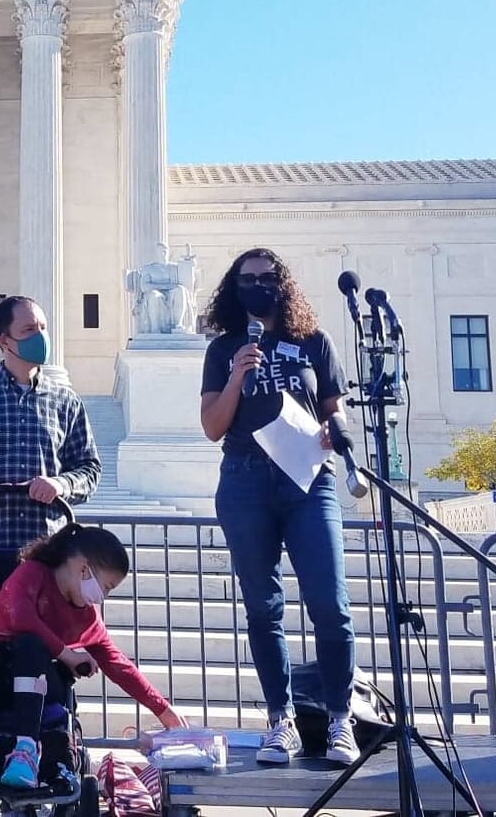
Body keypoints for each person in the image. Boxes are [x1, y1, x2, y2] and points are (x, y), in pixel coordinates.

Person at [198, 247, 359, 767]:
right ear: (233, 288)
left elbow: (335, 409)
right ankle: (280, 720)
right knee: (264, 608)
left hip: (309, 479)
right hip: (245, 478)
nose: (258, 285)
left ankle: (339, 718)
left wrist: (339, 433)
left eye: (267, 278)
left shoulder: (313, 341)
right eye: (248, 279)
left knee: (330, 605)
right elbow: (212, 426)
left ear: (283, 284)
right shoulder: (224, 349)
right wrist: (237, 378)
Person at [0, 523, 181, 789]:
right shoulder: (32, 573)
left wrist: (162, 709)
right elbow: (20, 616)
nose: (102, 598)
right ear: (83, 569)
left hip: (39, 687)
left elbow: (118, 665)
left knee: (31, 648)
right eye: (107, 587)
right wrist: (66, 653)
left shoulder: (88, 618)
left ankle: (26, 750)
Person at [0, 295, 100, 556]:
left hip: (49, 554)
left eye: (43, 328)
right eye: (29, 330)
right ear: (4, 341)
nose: (41, 337)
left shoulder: (66, 400)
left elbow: (89, 468)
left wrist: (61, 485)